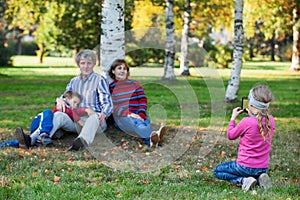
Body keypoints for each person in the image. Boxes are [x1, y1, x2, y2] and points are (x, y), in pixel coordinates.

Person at [16, 49, 113, 151]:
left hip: (95, 121)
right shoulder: (74, 81)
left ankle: (81, 142)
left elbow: (107, 102)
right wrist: (60, 100)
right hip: (76, 121)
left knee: (93, 117)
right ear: (78, 64)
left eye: (89, 63)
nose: (86, 66)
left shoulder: (100, 80)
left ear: (94, 64)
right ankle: (33, 139)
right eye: (83, 63)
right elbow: (65, 97)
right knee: (59, 115)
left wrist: (104, 114)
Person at [214, 85, 275, 192]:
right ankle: (260, 178)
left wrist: (233, 118)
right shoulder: (271, 120)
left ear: (250, 105)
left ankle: (243, 180)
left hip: (245, 167)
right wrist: (252, 115)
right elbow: (258, 124)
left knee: (218, 171)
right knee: (256, 172)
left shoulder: (246, 122)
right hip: (262, 167)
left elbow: (231, 135)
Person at [108, 59, 166, 148]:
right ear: (113, 71)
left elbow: (142, 99)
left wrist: (141, 114)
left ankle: (153, 140)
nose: (122, 71)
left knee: (144, 122)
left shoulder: (134, 83)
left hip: (138, 113)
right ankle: (152, 138)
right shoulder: (111, 87)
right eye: (119, 68)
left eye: (125, 69)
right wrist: (129, 114)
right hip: (122, 117)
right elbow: (113, 106)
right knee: (135, 123)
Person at [16, 91, 95, 148]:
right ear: (67, 99)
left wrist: (85, 110)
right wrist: (79, 120)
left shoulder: (72, 108)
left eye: (77, 104)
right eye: (74, 102)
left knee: (31, 138)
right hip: (44, 126)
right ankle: (31, 140)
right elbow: (69, 112)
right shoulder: (61, 107)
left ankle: (19, 142)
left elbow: (77, 111)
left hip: (54, 132)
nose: (75, 105)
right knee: (48, 115)